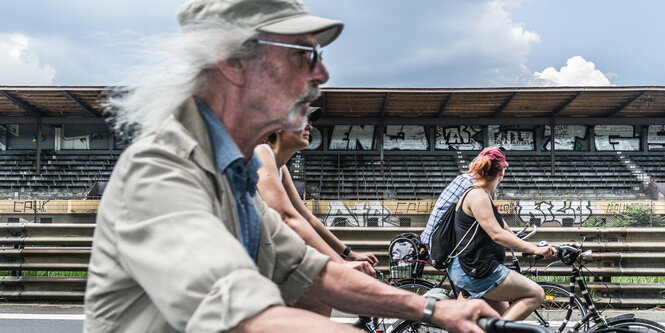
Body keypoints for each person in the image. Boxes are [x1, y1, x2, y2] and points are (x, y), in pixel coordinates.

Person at [84, 1, 500, 332]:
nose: (322, 72)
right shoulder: (161, 172)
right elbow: (238, 311)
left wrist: (434, 310)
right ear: (233, 62)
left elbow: (309, 271)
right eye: (306, 54)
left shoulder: (233, 173)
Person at [254, 108, 378, 273]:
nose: (310, 127)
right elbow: (285, 216)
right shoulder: (261, 153)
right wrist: (340, 264)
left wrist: (349, 254)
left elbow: (307, 218)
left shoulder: (281, 168)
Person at [446, 147, 557, 321]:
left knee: (498, 316)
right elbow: (497, 234)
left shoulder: (481, 195)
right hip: (478, 271)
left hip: (471, 267)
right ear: (502, 172)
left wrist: (528, 246)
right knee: (535, 294)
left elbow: (504, 229)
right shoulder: (478, 196)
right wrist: (535, 250)